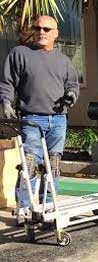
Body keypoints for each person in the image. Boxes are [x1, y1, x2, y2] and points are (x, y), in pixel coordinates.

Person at [0, 15, 79, 207]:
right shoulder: (20, 53)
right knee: (30, 164)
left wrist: (70, 95)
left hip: (58, 120)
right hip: (32, 119)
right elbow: (8, 82)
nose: (41, 32)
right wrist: (6, 102)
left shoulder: (63, 60)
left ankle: (49, 206)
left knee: (53, 165)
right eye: (37, 28)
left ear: (56, 34)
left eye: (46, 29)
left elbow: (72, 84)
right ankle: (25, 208)